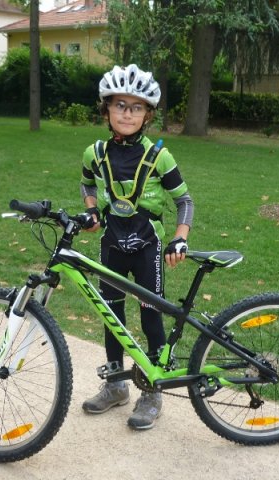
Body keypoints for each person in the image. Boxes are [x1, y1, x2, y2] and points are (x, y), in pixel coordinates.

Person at [79, 64, 194, 430]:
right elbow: (87, 185)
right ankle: (115, 386)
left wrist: (180, 237)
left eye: (136, 107)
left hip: (147, 248)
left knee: (150, 317)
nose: (127, 113)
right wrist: (92, 211)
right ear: (106, 109)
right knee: (111, 317)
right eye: (119, 105)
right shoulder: (94, 153)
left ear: (148, 115)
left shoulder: (160, 156)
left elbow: (185, 201)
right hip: (111, 245)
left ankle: (153, 390)